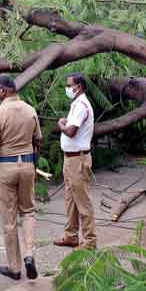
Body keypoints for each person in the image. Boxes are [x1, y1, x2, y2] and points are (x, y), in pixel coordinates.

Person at [0, 74, 42, 281]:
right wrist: (33, 166)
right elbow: (38, 142)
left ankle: (15, 267)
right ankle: (29, 255)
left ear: (2, 90)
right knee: (28, 211)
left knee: (9, 219)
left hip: (6, 167)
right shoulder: (30, 110)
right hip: (27, 163)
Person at [53, 73, 96, 249]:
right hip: (70, 159)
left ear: (77, 86)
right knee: (70, 200)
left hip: (78, 160)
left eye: (69, 85)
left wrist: (60, 125)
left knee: (82, 201)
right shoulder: (76, 105)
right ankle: (70, 235)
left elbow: (71, 131)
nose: (67, 88)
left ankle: (90, 241)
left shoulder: (81, 106)